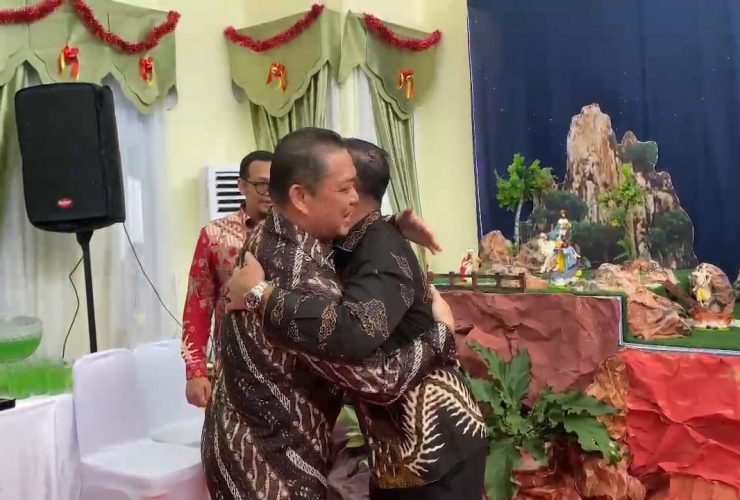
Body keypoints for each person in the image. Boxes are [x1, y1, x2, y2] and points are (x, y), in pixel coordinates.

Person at [202, 128, 457, 499]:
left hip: (251, 444)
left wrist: (385, 225)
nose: (354, 198)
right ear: (301, 197)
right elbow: (377, 379)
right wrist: (442, 333)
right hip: (269, 469)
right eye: (344, 188)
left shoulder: (279, 234)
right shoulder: (293, 274)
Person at [180, 150, 272, 407]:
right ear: (241, 185)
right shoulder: (215, 236)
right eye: (262, 185)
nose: (270, 193)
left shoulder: (300, 235)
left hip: (294, 374)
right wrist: (195, 371)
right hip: (233, 367)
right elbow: (197, 307)